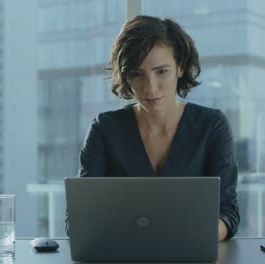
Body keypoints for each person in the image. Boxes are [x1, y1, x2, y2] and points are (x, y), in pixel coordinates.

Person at [76, 15, 239, 240]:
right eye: (137, 74)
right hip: (121, 254)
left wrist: (197, 233)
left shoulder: (211, 125)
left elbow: (228, 213)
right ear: (126, 76)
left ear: (180, 68)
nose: (150, 88)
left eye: (161, 71)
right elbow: (78, 219)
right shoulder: (104, 129)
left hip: (189, 251)